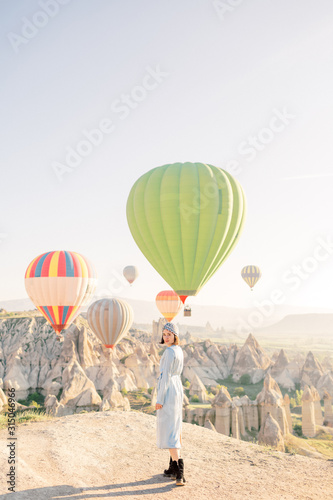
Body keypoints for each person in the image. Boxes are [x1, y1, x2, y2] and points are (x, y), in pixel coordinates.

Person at [155, 322, 185, 486]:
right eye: (164, 334)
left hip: (169, 391)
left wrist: (160, 399)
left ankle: (180, 471)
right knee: (174, 426)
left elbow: (165, 376)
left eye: (169, 334)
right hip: (177, 388)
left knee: (170, 428)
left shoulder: (168, 352)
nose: (166, 337)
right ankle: (172, 467)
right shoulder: (178, 350)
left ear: (175, 336)